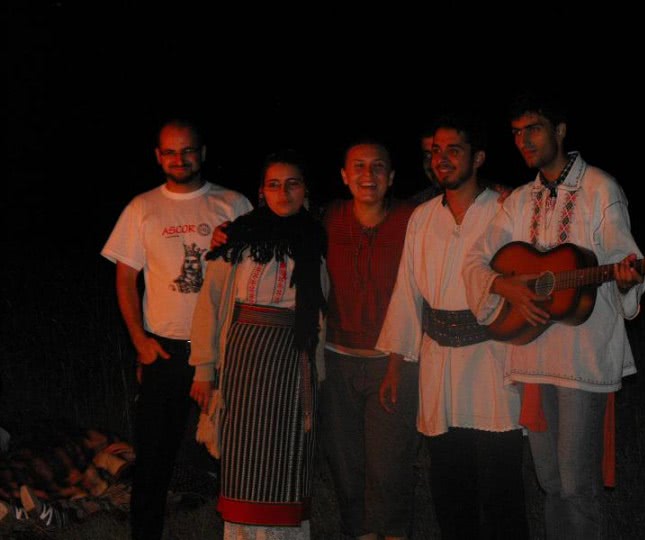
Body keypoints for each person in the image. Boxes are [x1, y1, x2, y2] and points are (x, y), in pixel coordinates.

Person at [462, 90, 645, 539]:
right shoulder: (519, 200)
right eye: (516, 132)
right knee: (550, 481)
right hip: (532, 355)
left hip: (582, 357)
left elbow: (624, 259)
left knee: (576, 484)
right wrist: (503, 284)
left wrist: (627, 280)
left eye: (534, 129)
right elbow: (476, 260)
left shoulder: (600, 189)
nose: (523, 140)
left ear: (560, 131)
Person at [376, 114, 528, 539]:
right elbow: (407, 291)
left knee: (501, 485)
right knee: (449, 483)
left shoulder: (507, 211)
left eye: (454, 150)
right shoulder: (422, 217)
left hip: (494, 360)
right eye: (436, 151)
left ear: (477, 158)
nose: (441, 159)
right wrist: (395, 364)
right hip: (439, 365)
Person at [101, 118, 252, 540]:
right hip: (165, 351)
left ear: (202, 153)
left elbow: (257, 269)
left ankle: (244, 528)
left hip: (223, 348)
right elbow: (125, 279)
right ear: (158, 156)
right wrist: (139, 341)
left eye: (187, 150)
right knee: (154, 456)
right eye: (170, 151)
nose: (179, 159)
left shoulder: (233, 203)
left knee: (235, 449)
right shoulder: (142, 207)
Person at [189, 150, 328, 540]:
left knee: (286, 461)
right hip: (243, 366)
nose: (284, 192)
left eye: (293, 183)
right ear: (262, 192)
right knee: (245, 464)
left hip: (292, 366)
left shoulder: (317, 238)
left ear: (306, 189)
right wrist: (204, 369)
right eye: (274, 184)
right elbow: (210, 304)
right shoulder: (237, 238)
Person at [321, 139, 419, 540]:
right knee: (345, 461)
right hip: (336, 358)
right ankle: (359, 532)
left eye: (377, 166)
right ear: (344, 176)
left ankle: (391, 531)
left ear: (391, 177)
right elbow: (278, 215)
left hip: (391, 359)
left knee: (390, 461)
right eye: (358, 166)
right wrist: (229, 230)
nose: (368, 175)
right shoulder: (327, 218)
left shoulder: (412, 219)